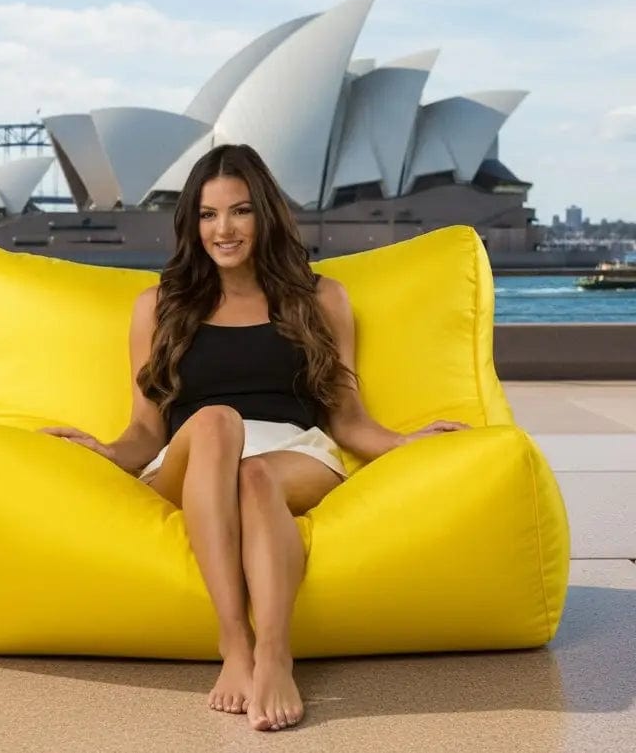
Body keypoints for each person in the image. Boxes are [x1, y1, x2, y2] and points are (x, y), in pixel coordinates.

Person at [40, 144, 469, 732]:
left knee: (255, 473)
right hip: (192, 457)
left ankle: (273, 654)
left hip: (293, 456)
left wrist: (403, 443)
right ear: (192, 223)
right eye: (208, 214)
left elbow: (346, 420)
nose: (224, 229)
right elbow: (145, 428)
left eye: (239, 211)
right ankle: (234, 643)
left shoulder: (321, 299)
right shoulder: (159, 307)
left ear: (265, 214)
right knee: (218, 422)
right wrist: (107, 454)